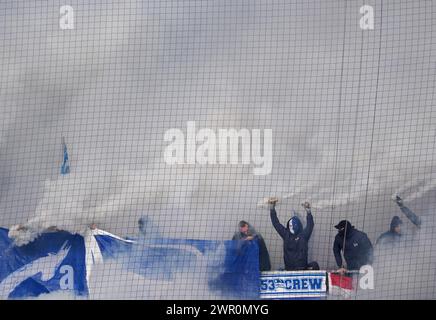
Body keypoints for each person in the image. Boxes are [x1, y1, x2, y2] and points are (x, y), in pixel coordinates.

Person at [268, 198, 319, 271]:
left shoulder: (301, 235)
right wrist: (308, 211)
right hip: (294, 268)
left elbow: (310, 225)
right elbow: (276, 223)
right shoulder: (293, 234)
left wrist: (272, 207)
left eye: (293, 225)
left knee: (314, 265)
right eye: (291, 226)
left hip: (297, 268)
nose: (292, 227)